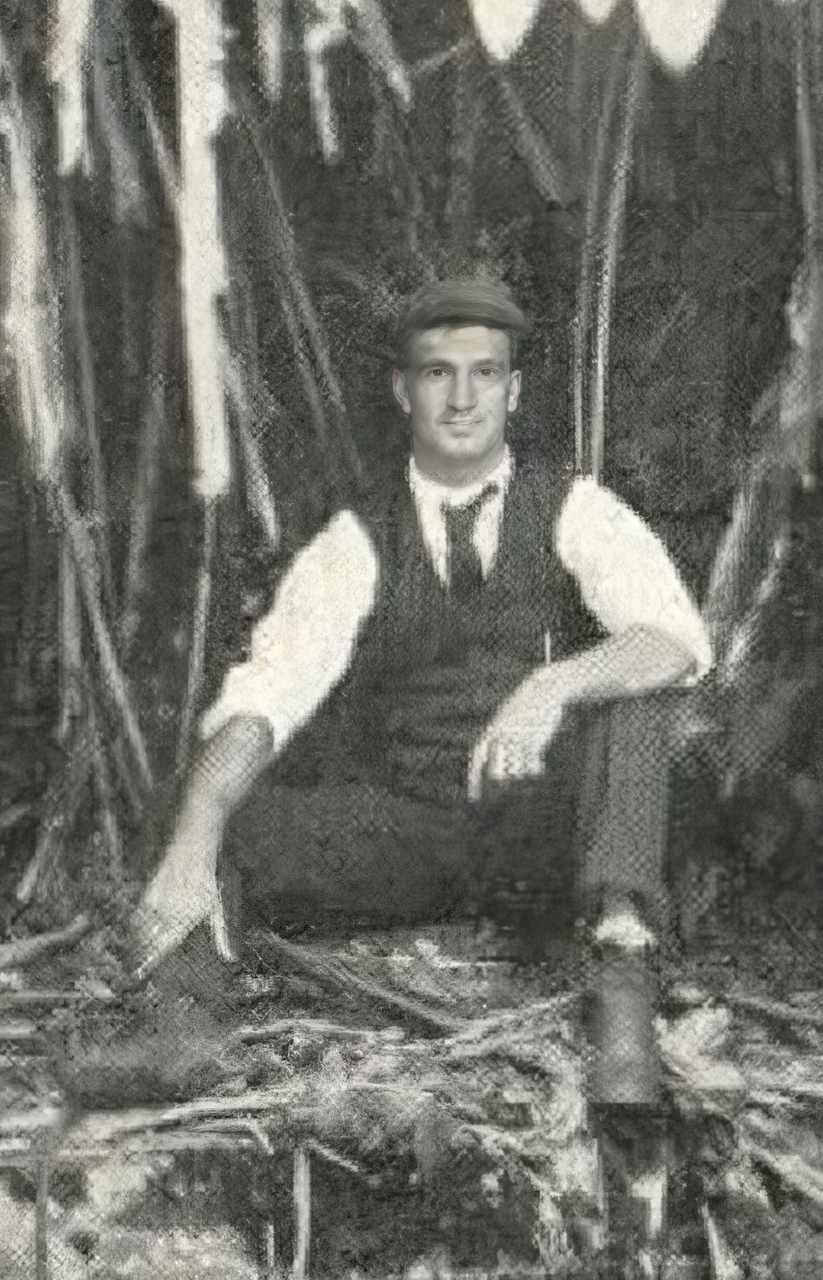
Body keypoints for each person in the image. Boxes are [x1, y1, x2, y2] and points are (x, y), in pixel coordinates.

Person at [80, 273, 706, 1109]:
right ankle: (182, 1024)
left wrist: (552, 684)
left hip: (541, 833)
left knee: (634, 700)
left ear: (513, 391)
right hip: (411, 831)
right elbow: (267, 695)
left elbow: (674, 641)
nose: (460, 398)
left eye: (484, 373)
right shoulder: (357, 540)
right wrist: (195, 841)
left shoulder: (573, 508)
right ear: (402, 390)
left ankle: (622, 990)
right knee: (202, 801)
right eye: (437, 373)